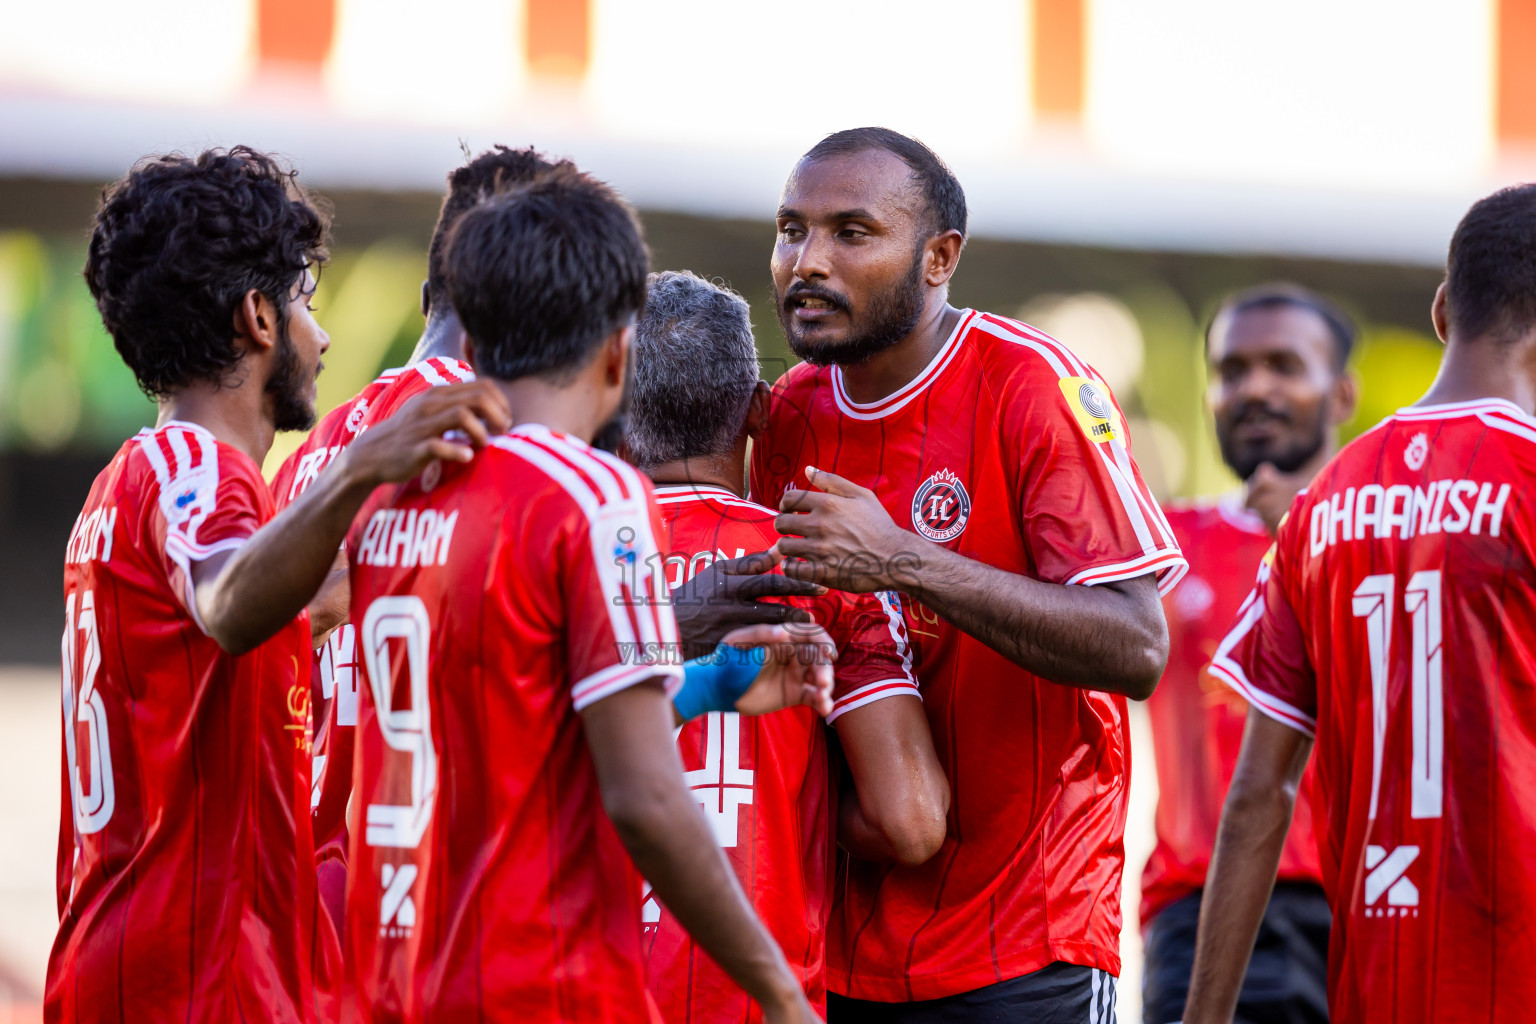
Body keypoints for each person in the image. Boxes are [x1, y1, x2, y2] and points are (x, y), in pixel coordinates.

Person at [343, 168, 826, 1023]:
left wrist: (704, 685)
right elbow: (641, 796)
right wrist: (781, 994)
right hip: (534, 977)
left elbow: (507, 711)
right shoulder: (589, 496)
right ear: (617, 353)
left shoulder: (394, 495)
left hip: (397, 972)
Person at [51, 147, 509, 1023]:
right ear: (258, 319)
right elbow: (229, 605)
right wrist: (355, 472)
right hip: (188, 981)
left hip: (150, 966)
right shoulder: (196, 468)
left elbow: (324, 594)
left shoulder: (130, 485)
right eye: (304, 300)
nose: (323, 334)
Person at [751, 127, 1185, 1022]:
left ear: (940, 256)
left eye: (851, 233)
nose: (808, 261)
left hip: (1025, 938)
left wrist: (901, 559)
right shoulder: (786, 416)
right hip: (836, 941)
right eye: (792, 229)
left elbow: (1137, 645)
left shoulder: (1035, 387)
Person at [1183, 184, 1536, 1023]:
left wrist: (1201, 1019)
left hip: (1374, 983)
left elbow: (1257, 794)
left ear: (1444, 310)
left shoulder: (1322, 506)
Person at [625, 270, 950, 1022]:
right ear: (759, 413)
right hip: (752, 998)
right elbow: (912, 820)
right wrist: (792, 799)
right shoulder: (819, 569)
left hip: (565, 988)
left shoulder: (551, 559)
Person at [269, 144, 566, 934]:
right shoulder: (488, 444)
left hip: (312, 889)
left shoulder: (312, 454)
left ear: (432, 293)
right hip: (424, 902)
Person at [1141, 285, 1358, 1024]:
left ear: (1344, 394)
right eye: (1232, 371)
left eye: (1284, 365)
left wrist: (1304, 534)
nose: (1255, 387)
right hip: (1199, 917)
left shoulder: (1391, 548)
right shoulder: (1158, 547)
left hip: (1363, 906)